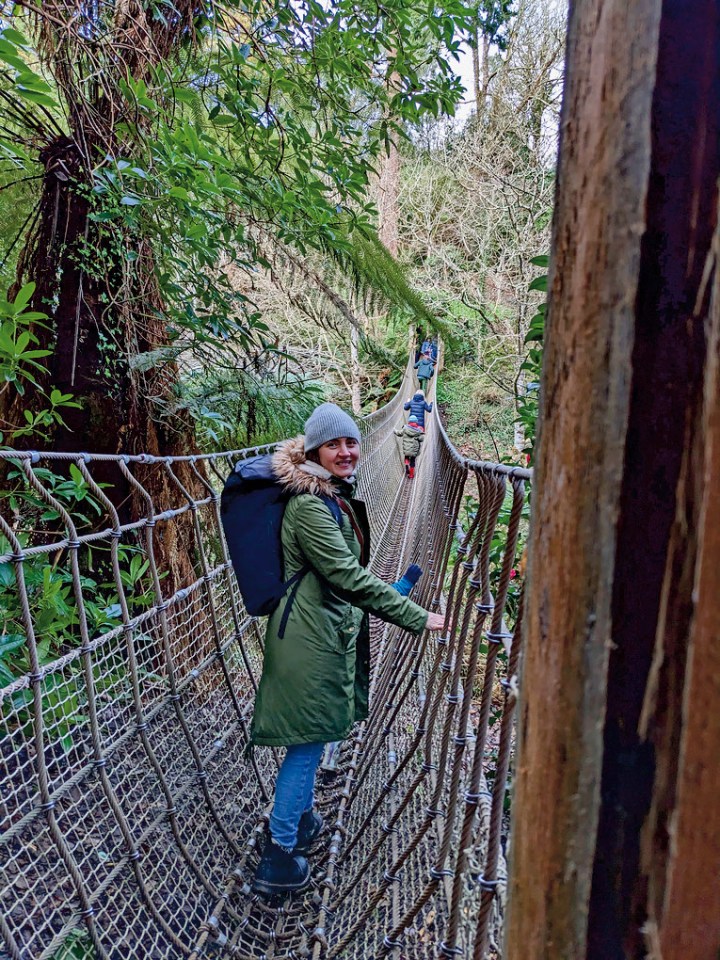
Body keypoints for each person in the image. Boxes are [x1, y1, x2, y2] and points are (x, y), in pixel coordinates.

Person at [250, 402, 445, 896]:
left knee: (311, 739)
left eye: (351, 442)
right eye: (333, 444)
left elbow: (341, 584)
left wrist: (396, 593)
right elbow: (347, 577)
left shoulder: (330, 496)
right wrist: (415, 616)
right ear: (313, 449)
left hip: (319, 633)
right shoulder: (310, 506)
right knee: (308, 743)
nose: (346, 452)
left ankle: (300, 817)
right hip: (307, 642)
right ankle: (277, 855)